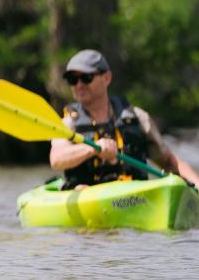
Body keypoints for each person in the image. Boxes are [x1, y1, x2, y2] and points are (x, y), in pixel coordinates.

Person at [49, 49, 199, 188]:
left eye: (86, 78)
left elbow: (168, 161)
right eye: (72, 79)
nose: (79, 85)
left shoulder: (138, 117)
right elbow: (56, 159)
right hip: (87, 198)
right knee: (80, 189)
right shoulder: (67, 123)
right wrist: (93, 149)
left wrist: (196, 184)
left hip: (135, 199)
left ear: (107, 78)